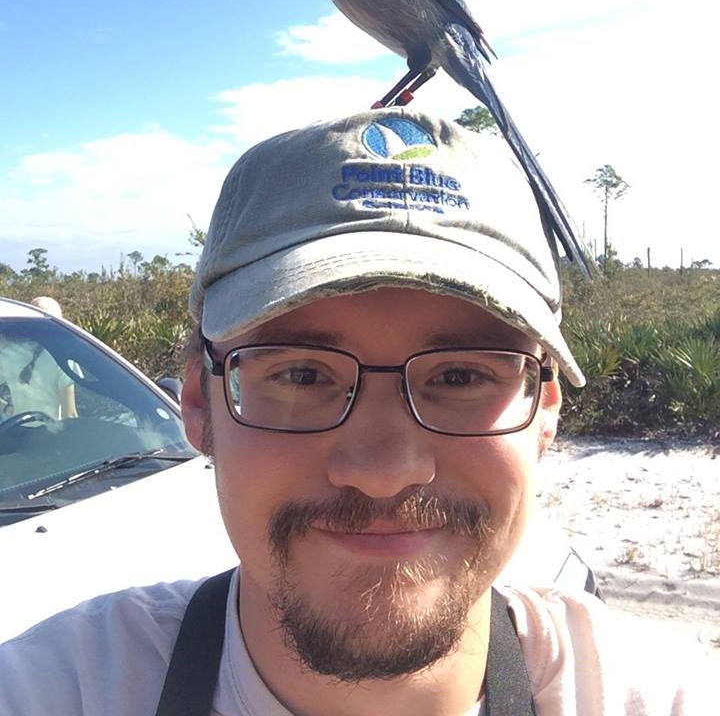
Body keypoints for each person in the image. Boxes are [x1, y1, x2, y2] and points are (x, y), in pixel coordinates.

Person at [0, 109, 707, 714]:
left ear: (544, 409)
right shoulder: (56, 688)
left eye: (461, 375)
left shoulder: (655, 695)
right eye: (301, 374)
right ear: (197, 403)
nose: (383, 471)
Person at [0, 296, 77, 421]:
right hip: (48, 432)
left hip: (13, 430)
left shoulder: (11, 353)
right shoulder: (63, 360)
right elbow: (70, 414)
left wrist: (6, 408)